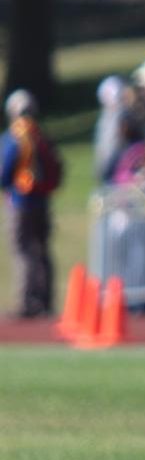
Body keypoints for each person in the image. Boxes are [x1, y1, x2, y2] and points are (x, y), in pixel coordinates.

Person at [1, 89, 62, 319]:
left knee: (23, 251)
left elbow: (4, 172)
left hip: (19, 202)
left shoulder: (14, 137)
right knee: (43, 251)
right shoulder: (41, 137)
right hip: (42, 201)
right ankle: (45, 300)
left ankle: (27, 302)